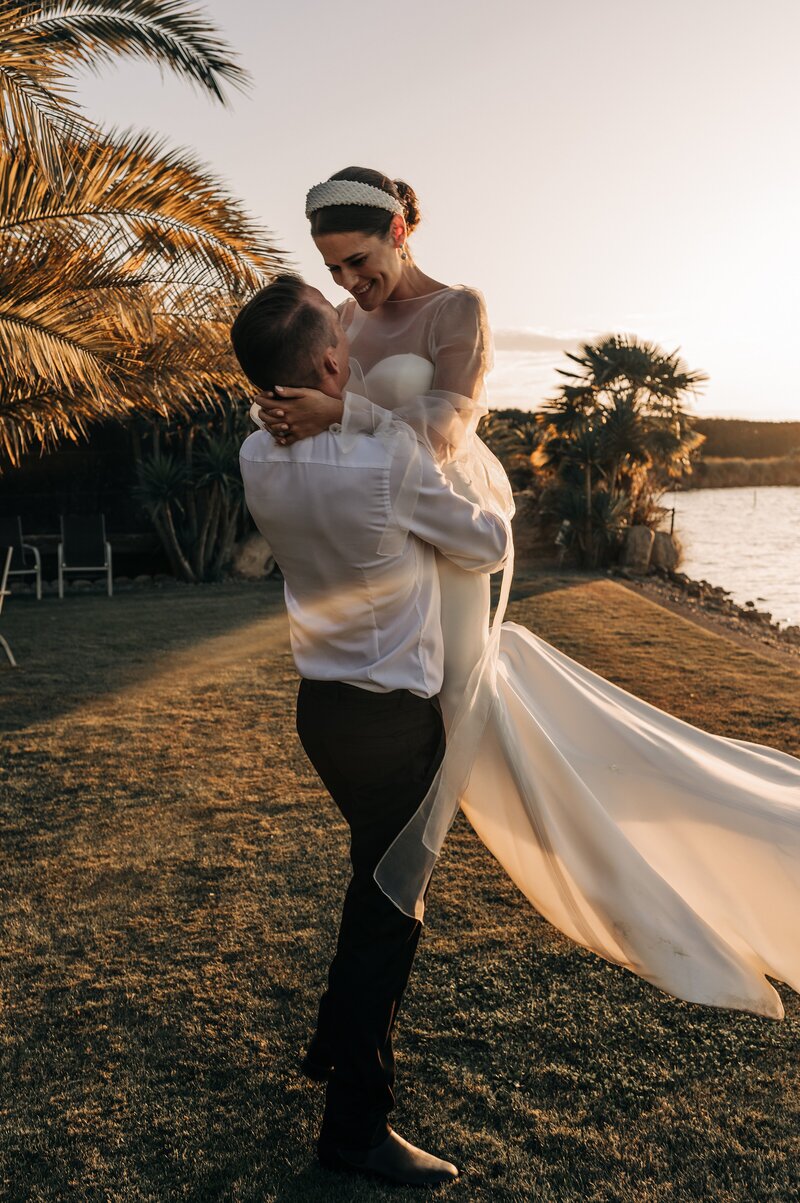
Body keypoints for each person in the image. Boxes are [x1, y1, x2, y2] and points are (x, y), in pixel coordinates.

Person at [254, 166, 800, 1023]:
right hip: (393, 552)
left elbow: (437, 432)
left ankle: (354, 1019)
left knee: (423, 794)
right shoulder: (346, 325)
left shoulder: (456, 311)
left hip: (451, 541)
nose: (350, 286)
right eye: (334, 273)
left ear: (401, 231)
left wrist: (342, 418)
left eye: (359, 261)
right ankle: (353, 1017)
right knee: (401, 811)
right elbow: (334, 438)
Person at [232, 275, 510, 1186]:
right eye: (342, 343)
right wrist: (365, 420)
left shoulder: (254, 456)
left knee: (369, 885)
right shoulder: (385, 454)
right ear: (326, 363)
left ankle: (325, 1043)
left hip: (323, 711)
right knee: (388, 917)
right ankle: (356, 1130)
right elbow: (485, 542)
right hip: (394, 722)